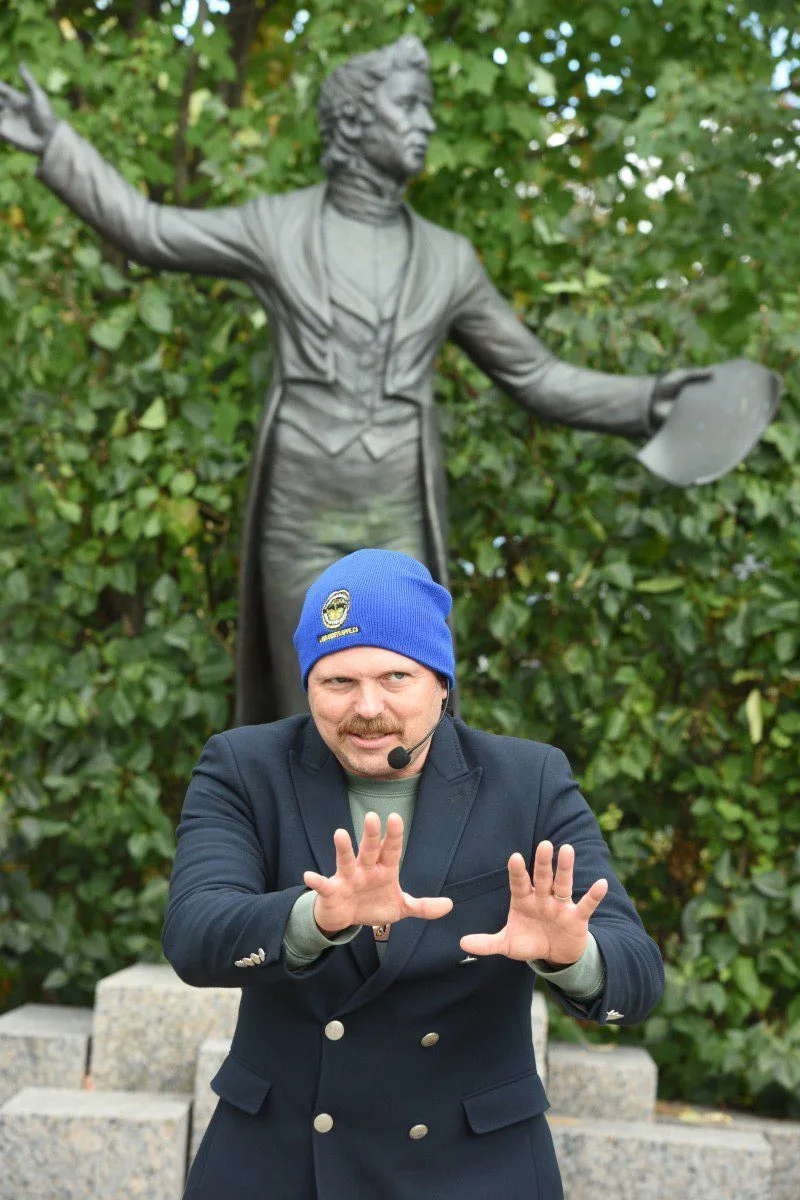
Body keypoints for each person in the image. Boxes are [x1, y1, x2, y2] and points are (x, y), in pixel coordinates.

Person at [0, 40, 709, 723]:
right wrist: (57, 143)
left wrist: (649, 401)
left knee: (405, 718)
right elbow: (150, 231)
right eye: (409, 105)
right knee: (310, 717)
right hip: (299, 517)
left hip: (397, 521)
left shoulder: (449, 259)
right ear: (353, 119)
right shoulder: (276, 227)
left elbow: (537, 375)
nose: (426, 122)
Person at [162, 549, 664, 1200]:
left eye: (395, 676)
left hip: (474, 1170)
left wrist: (574, 958)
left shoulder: (529, 780)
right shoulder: (244, 767)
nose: (367, 707)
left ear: (441, 682)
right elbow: (194, 934)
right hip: (280, 1162)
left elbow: (638, 976)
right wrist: (315, 920)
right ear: (308, 684)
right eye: (338, 682)